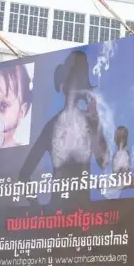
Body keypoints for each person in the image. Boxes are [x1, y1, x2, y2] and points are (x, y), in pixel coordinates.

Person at [19, 50, 110, 187]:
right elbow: (24, 175)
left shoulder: (90, 122)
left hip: (85, 207)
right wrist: (36, 207)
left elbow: (104, 162)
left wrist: (95, 122)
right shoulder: (51, 127)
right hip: (59, 208)